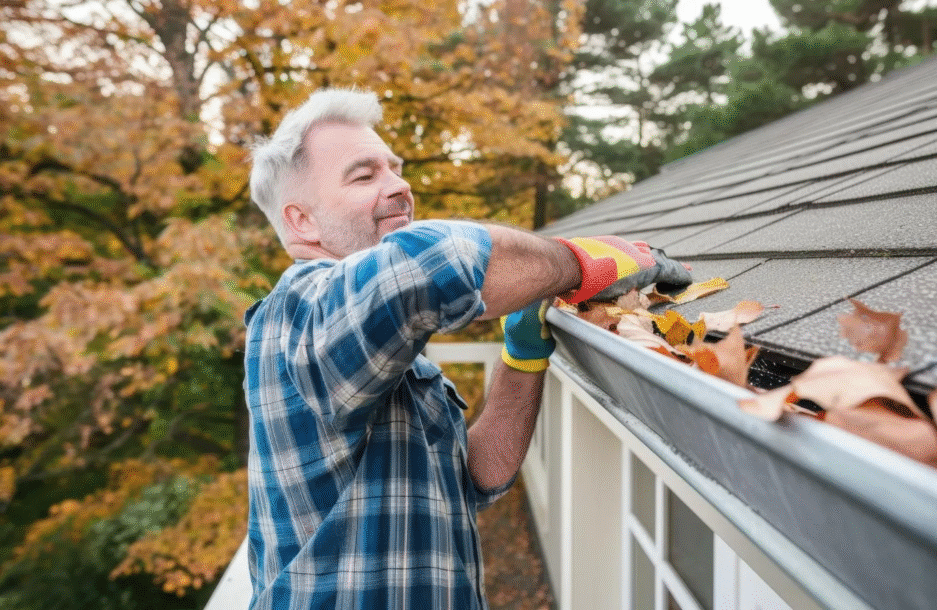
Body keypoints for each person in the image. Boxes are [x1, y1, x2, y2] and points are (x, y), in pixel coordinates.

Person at [243, 87, 691, 609]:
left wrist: (523, 355)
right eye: (364, 176)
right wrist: (589, 262)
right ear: (302, 221)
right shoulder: (294, 317)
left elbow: (475, 475)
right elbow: (427, 266)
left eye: (395, 168)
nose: (400, 186)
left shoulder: (384, 356)